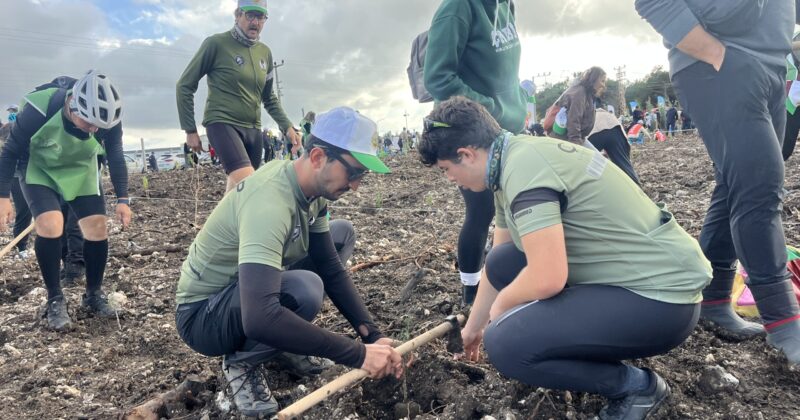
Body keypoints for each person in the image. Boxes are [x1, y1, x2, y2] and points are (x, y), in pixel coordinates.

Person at [418, 96, 711, 420]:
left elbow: (547, 277)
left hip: (662, 303)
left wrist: (499, 313)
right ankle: (557, 343)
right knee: (504, 264)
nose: (450, 179)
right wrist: (474, 327)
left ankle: (636, 387)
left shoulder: (525, 171)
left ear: (466, 155)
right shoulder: (510, 160)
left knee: (504, 343)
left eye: (446, 169)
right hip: (635, 283)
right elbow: (501, 261)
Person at [174, 107, 403, 417]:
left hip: (240, 294)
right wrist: (358, 355)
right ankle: (242, 364)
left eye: (363, 175)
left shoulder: (312, 191)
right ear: (318, 157)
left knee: (341, 234)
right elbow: (260, 317)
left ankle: (282, 345)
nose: (356, 185)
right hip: (203, 316)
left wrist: (371, 335)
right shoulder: (270, 202)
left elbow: (330, 267)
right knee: (305, 290)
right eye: (354, 172)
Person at [637, 0, 800, 364]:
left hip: (772, 62)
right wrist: (716, 53)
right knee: (760, 187)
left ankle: (712, 298)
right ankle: (785, 322)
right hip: (719, 61)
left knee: (737, 183)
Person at [0, 70, 131, 331]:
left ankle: (93, 294)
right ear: (73, 106)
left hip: (80, 168)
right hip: (39, 167)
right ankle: (55, 299)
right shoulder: (40, 108)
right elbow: (11, 151)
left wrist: (123, 198)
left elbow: (115, 155)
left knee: (97, 227)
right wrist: (3, 196)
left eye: (100, 126)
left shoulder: (108, 119)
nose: (95, 129)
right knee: (51, 223)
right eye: (89, 123)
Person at [423, 0, 527, 305]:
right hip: (474, 132)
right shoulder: (457, 8)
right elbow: (438, 78)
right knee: (481, 212)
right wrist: (491, 108)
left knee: (516, 207)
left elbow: (505, 71)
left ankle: (514, 279)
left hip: (510, 127)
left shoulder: (506, 5)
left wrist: (518, 101)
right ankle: (471, 292)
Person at [176, 0, 301, 192]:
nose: (255, 22)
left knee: (237, 193)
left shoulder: (265, 53)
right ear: (237, 15)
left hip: (253, 130)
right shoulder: (216, 44)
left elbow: (268, 98)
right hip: (222, 123)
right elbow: (184, 85)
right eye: (250, 15)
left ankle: (224, 214)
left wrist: (287, 126)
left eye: (261, 17)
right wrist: (190, 129)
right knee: (251, 187)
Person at [549, 67, 607, 148]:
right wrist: (576, 145)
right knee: (593, 155)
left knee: (595, 155)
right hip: (567, 139)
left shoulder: (588, 94)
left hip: (578, 137)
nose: (603, 85)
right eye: (602, 81)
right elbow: (574, 119)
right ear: (594, 79)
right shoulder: (579, 93)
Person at [0, 124, 32, 259]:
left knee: (26, 211)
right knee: (24, 210)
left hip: (28, 174)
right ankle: (21, 246)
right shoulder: (8, 145)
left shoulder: (25, 135)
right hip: (15, 176)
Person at [588, 108, 641, 185]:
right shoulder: (608, 115)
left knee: (585, 163)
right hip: (614, 127)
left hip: (593, 131)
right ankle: (636, 187)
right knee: (624, 164)